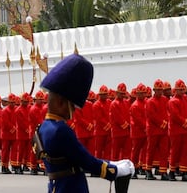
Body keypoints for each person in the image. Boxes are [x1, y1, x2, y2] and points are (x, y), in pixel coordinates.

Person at [36, 54, 134, 193]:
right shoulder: (61, 130)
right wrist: (115, 170)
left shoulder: (44, 127)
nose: (74, 111)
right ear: (61, 103)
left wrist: (110, 163)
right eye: (72, 106)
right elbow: (85, 160)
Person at [168, 79, 187, 181]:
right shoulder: (172, 101)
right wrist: (186, 122)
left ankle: (184, 172)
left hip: (185, 130)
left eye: (183, 90)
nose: (182, 92)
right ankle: (172, 171)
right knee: (175, 151)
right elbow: (175, 116)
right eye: (180, 90)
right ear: (175, 90)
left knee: (185, 152)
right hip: (176, 130)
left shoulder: (185, 99)